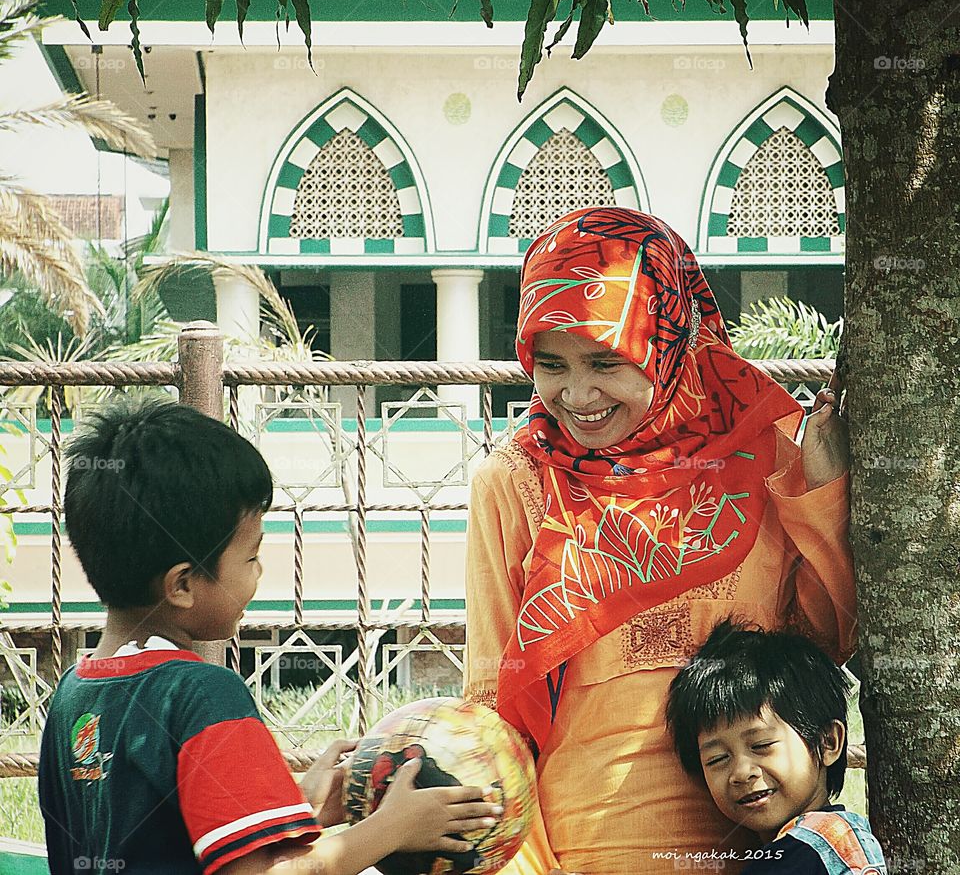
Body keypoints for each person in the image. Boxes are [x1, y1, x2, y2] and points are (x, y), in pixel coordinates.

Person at [463, 207, 856, 874]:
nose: (576, 394)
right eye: (551, 364)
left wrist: (823, 491)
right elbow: (492, 716)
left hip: (755, 855)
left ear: (666, 343)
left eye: (606, 361)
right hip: (571, 855)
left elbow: (825, 644)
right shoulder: (518, 479)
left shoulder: (765, 454)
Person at [39, 398, 500, 875]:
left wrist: (294, 809)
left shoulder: (73, 696)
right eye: (251, 556)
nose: (260, 572)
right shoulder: (202, 695)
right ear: (181, 585)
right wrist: (392, 828)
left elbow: (165, 842)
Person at [666, 620, 886, 875]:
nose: (742, 772)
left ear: (828, 742)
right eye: (717, 759)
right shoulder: (836, 839)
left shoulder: (808, 852)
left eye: (761, 745)